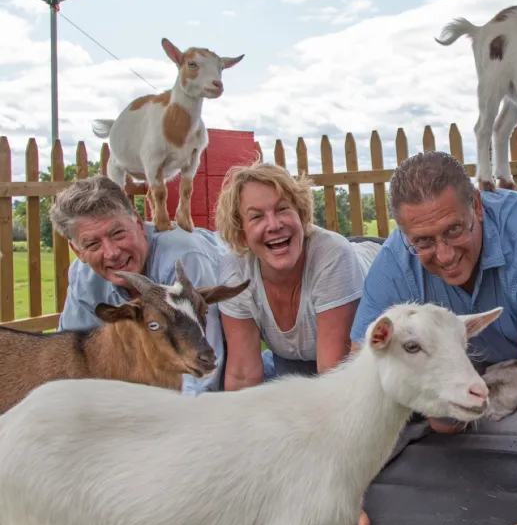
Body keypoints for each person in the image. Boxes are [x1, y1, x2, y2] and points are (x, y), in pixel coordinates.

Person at [348, 150, 517, 525]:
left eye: (454, 230)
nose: (444, 254)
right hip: (475, 353)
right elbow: (357, 382)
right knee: (444, 424)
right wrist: (344, 498)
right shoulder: (395, 261)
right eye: (423, 241)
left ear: (476, 204)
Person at [52, 175, 228, 395]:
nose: (112, 253)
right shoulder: (83, 276)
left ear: (138, 222)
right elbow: (69, 355)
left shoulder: (183, 258)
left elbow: (204, 372)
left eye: (117, 233)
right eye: (93, 244)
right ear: (78, 251)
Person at [213, 161, 381, 390]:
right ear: (242, 235)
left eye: (282, 209)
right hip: (295, 359)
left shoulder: (332, 257)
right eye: (256, 217)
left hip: (367, 268)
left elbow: (334, 376)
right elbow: (243, 376)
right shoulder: (235, 271)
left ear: (301, 215)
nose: (274, 225)